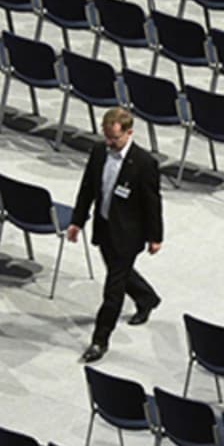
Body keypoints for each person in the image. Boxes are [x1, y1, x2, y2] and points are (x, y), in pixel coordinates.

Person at [67, 107, 163, 363]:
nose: (109, 143)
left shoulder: (144, 163)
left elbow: (153, 203)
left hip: (129, 235)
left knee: (113, 289)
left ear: (129, 133)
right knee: (118, 272)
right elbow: (87, 188)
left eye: (115, 139)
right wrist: (77, 221)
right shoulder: (99, 152)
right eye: (107, 137)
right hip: (105, 226)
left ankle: (100, 341)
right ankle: (147, 297)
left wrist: (156, 237)